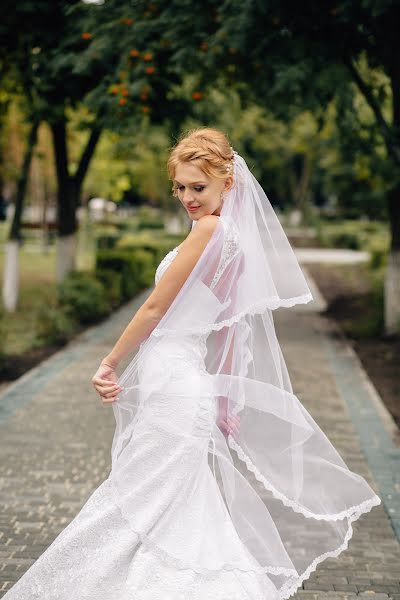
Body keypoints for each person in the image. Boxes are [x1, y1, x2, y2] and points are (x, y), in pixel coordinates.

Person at [3, 127, 381, 600]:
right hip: (189, 385)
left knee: (138, 498)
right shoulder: (236, 242)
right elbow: (228, 326)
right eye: (180, 188)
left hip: (176, 385)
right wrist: (223, 396)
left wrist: (109, 362)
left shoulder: (210, 231)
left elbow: (155, 309)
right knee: (175, 503)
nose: (187, 198)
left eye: (197, 187)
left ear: (229, 183)